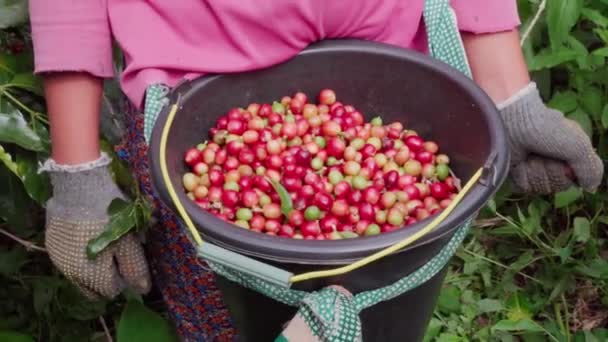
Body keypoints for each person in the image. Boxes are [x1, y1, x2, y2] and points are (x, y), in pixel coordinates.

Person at [29, 1, 603, 341]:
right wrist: (78, 170)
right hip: (190, 113)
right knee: (228, 327)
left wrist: (507, 91)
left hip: (398, 81)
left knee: (387, 319)